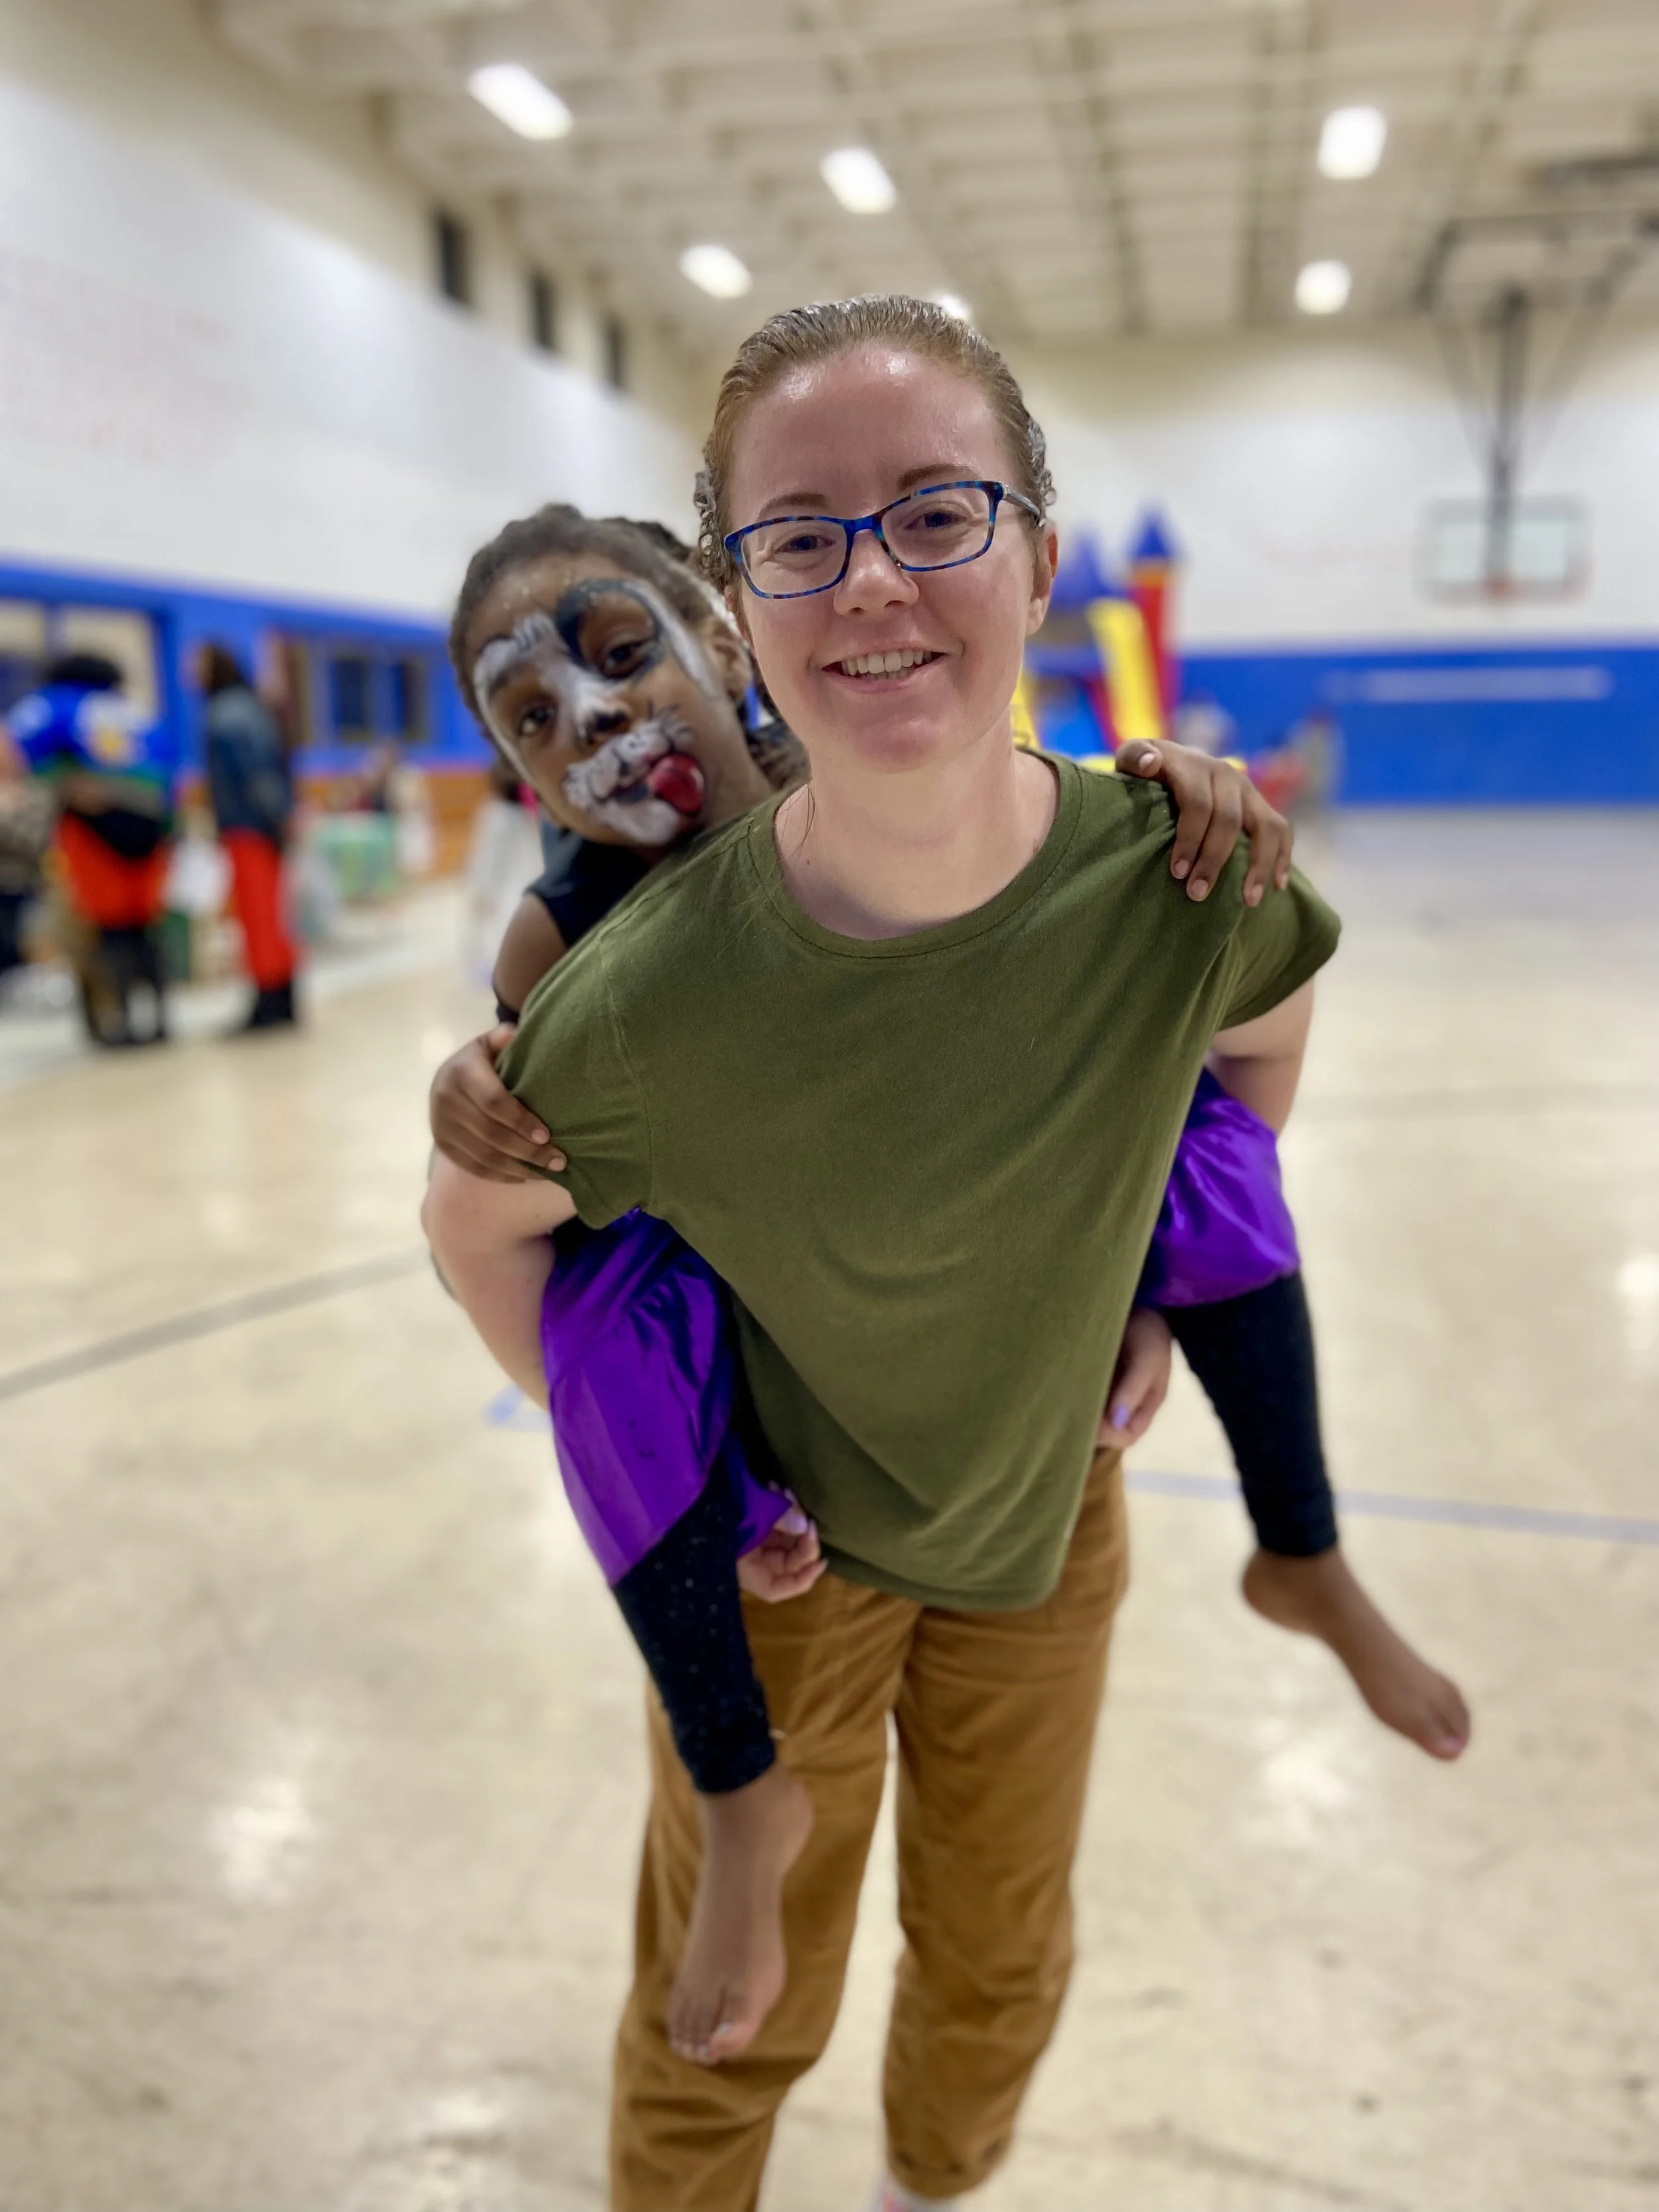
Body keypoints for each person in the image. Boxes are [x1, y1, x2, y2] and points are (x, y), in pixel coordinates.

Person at [423, 294, 1345, 2212]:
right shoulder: (581, 968)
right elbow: (504, 1249)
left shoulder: (1087, 838)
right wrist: (696, 1478)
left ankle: (942, 2171)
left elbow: (1196, 1009)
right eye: (533, 713)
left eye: (617, 656)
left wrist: (1153, 1280)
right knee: (730, 2007)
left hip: (1033, 1497)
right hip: (784, 1546)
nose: (594, 720)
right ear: (751, 588)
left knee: (1004, 1941)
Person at [4, 653, 175, 1046]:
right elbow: (169, 770)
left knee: (105, 932)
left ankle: (118, 1023)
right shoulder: (137, 714)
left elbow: (13, 748)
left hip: (93, 834)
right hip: (151, 834)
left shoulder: (56, 704)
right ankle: (160, 1020)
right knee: (145, 930)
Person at [194, 643, 299, 1031]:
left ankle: (269, 1005)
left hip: (249, 828)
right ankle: (280, 1000)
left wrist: (276, 819)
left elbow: (255, 775)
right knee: (273, 918)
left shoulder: (226, 713)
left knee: (260, 921)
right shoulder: (249, 707)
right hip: (261, 826)